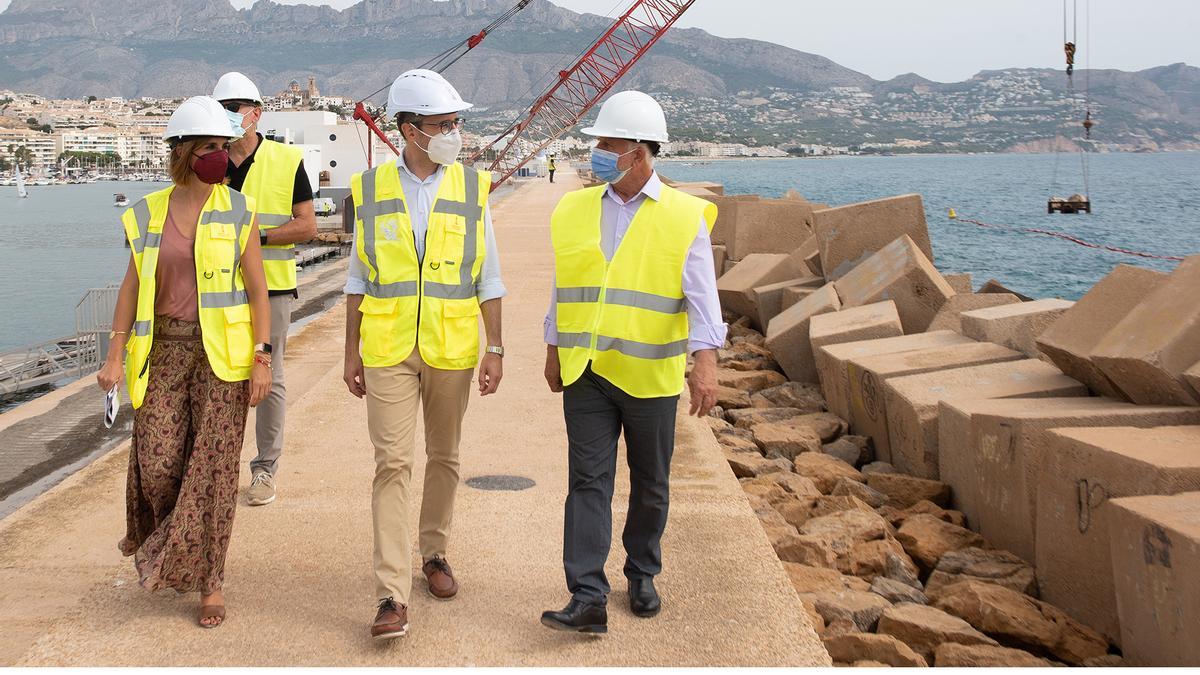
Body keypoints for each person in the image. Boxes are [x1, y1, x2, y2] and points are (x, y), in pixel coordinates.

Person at [540, 91, 722, 634]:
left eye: (608, 143)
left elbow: (702, 298)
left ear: (639, 152)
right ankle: (588, 595)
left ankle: (642, 573)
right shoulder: (574, 208)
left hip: (649, 374)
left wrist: (705, 365)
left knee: (651, 483)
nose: (597, 151)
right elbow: (563, 287)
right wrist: (552, 349)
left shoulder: (685, 216)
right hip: (587, 371)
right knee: (587, 481)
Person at [95, 95, 272, 628]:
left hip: (224, 358)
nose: (220, 155)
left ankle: (209, 582)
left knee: (214, 472)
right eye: (210, 147)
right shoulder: (147, 212)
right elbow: (130, 288)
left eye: (224, 146)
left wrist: (262, 358)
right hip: (164, 352)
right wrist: (113, 355)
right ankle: (172, 547)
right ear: (184, 151)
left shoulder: (239, 210)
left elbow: (259, 292)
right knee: (159, 462)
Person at [342, 69, 506, 641]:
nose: (453, 133)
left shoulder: (472, 188)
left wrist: (497, 347)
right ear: (410, 130)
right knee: (392, 464)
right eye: (443, 124)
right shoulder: (368, 190)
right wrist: (349, 353)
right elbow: (358, 277)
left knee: (445, 457)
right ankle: (391, 594)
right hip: (386, 346)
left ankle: (434, 553)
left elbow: (490, 276)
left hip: (452, 346)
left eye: (456, 123)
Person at [213, 72, 318, 506]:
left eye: (236, 108)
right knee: (218, 376)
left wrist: (256, 239)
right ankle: (216, 467)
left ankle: (264, 470)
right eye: (222, 110)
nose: (230, 117)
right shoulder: (207, 162)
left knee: (269, 376)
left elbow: (307, 225)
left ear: (257, 113)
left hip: (272, 288)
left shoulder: (286, 160)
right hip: (216, 289)